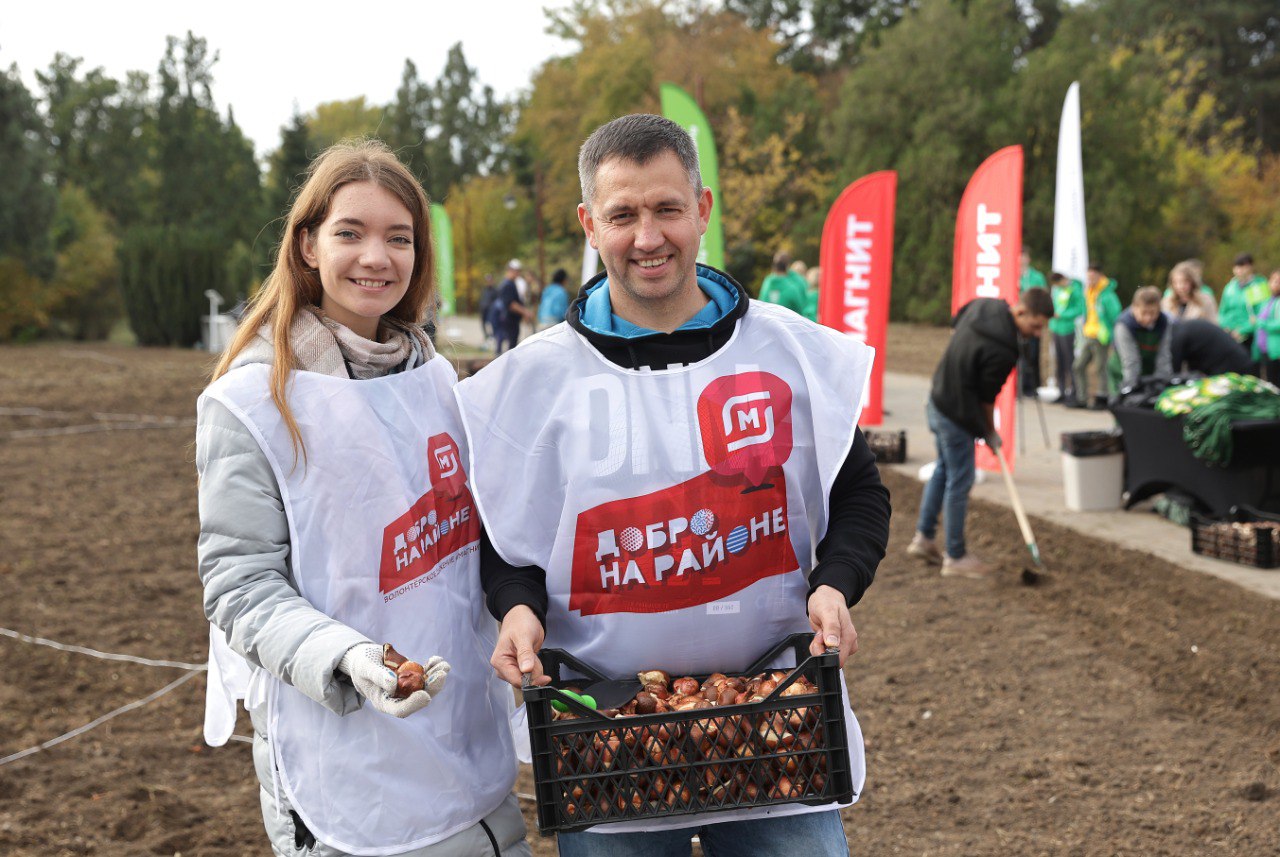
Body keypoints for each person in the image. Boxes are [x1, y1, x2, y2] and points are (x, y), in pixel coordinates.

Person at [455, 114, 892, 857]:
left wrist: (835, 583)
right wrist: (516, 608)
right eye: (623, 214)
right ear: (591, 224)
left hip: (777, 723)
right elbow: (505, 533)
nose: (647, 236)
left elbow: (859, 493)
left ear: (704, 210)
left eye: (667, 208)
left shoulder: (788, 352)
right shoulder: (532, 382)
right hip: (601, 735)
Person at [195, 141, 529, 857]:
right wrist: (346, 656)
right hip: (347, 759)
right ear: (308, 243)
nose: (376, 256)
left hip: (465, 746)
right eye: (351, 232)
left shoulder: (435, 379)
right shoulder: (253, 401)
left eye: (398, 237)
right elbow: (239, 585)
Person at [907, 289, 1054, 579]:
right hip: (956, 414)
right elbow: (987, 398)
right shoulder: (1005, 350)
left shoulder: (987, 305)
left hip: (937, 398)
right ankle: (956, 556)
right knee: (960, 480)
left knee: (943, 470)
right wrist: (989, 431)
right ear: (1021, 312)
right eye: (1035, 326)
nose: (1037, 334)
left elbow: (955, 322)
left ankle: (923, 539)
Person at [1071, 262, 1122, 409]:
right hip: (1089, 334)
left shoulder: (1107, 295)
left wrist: (1111, 334)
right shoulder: (1088, 292)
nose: (1090, 279)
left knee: (1101, 367)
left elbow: (1115, 315)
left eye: (1093, 276)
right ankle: (1081, 397)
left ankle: (1102, 397)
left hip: (1101, 336)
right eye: (1088, 277)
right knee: (1078, 365)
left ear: (1100, 276)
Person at [1109, 286, 1173, 392]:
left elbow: (1164, 355)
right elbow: (1130, 360)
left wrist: (1162, 383)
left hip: (1148, 371)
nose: (1148, 318)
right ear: (1134, 308)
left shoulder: (1164, 322)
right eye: (1144, 313)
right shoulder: (1123, 325)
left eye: (1152, 313)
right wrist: (1130, 388)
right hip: (1122, 372)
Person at [1219, 253, 1270, 357]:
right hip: (1230, 334)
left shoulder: (1259, 286)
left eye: (1243, 266)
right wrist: (1226, 327)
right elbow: (1223, 310)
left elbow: (1261, 314)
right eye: (1237, 266)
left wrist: (1242, 330)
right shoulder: (1230, 287)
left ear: (1251, 267)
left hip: (1250, 337)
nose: (1239, 270)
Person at [1047, 272, 1084, 405]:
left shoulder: (1075, 290)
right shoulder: (1057, 290)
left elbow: (1080, 309)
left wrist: (1062, 314)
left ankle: (1073, 392)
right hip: (1056, 328)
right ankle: (1061, 392)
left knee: (1070, 362)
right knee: (1060, 362)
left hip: (1068, 329)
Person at [1169, 318, 1252, 377]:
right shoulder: (1182, 328)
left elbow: (1173, 372)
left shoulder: (1177, 335)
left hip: (1232, 365)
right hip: (1234, 360)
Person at [1018, 249, 1048, 397]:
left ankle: (1033, 386)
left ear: (1028, 258)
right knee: (1019, 355)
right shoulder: (1013, 275)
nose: (1021, 260)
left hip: (1034, 320)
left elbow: (1043, 297)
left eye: (1023, 256)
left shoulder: (1036, 277)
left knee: (1033, 355)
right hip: (1020, 322)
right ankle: (1020, 386)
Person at [495, 259, 533, 354]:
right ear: (510, 270)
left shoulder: (511, 283)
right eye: (516, 270)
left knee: (512, 344)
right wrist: (525, 312)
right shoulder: (507, 285)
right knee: (511, 346)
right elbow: (511, 304)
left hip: (511, 320)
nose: (518, 273)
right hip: (509, 320)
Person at [758, 250, 808, 315]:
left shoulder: (767, 281)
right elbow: (802, 308)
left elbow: (761, 303)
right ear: (787, 265)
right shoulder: (793, 286)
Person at [1252, 270, 1280, 383]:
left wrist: (1261, 323)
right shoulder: (1267, 300)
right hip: (1264, 349)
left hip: (1276, 351)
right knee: (1269, 382)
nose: (1276, 284)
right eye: (1274, 281)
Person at [478, 273, 499, 344]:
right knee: (483, 324)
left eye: (490, 280)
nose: (489, 282)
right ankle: (486, 336)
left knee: (492, 324)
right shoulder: (484, 290)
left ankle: (493, 337)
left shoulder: (495, 290)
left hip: (491, 311)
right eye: (487, 280)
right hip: (483, 310)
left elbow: (497, 301)